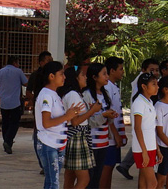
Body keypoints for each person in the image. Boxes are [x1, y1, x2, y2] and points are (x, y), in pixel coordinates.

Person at [37, 61, 85, 189]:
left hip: (57, 144)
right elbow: (46, 122)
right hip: (49, 144)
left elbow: (60, 119)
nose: (64, 77)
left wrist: (70, 115)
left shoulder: (54, 95)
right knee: (53, 183)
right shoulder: (46, 95)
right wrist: (67, 116)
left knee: (51, 181)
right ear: (51, 76)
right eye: (61, 74)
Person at [59, 66, 102, 189]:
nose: (86, 77)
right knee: (84, 179)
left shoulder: (74, 94)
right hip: (77, 137)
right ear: (76, 78)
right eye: (82, 75)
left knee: (70, 176)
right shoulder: (73, 94)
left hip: (75, 136)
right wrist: (92, 110)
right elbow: (75, 121)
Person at [83, 62, 120, 189]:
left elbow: (105, 118)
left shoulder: (105, 94)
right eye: (103, 74)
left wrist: (110, 115)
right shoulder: (86, 95)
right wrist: (104, 115)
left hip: (104, 142)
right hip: (91, 143)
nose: (107, 77)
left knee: (98, 176)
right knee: (89, 177)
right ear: (94, 77)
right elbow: (87, 120)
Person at [0, 55, 28, 155]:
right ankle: (8, 140)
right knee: (14, 123)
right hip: (15, 102)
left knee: (5, 123)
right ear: (15, 62)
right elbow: (26, 83)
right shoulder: (18, 71)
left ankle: (7, 141)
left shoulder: (0, 71)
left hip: (3, 102)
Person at [132, 73, 161, 189]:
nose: (157, 87)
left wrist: (157, 148)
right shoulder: (139, 103)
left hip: (150, 147)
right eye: (153, 84)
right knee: (152, 183)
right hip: (142, 148)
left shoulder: (149, 102)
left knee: (144, 182)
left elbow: (150, 128)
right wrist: (144, 151)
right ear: (144, 86)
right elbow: (137, 128)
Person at [103, 57, 128, 181]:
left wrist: (121, 133)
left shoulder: (114, 87)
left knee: (110, 168)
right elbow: (107, 114)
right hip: (109, 138)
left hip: (114, 136)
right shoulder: (107, 88)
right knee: (106, 169)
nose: (123, 72)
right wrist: (116, 134)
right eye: (121, 69)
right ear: (112, 71)